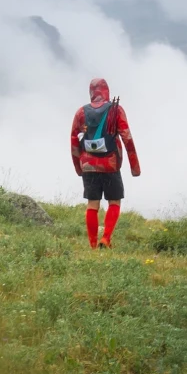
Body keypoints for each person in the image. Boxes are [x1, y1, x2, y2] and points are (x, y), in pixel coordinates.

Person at [71, 77, 140, 248]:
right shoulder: (115, 110)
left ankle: (93, 245)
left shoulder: (81, 112)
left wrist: (78, 167)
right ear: (106, 91)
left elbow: (74, 140)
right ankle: (106, 238)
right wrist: (135, 167)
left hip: (88, 165)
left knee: (92, 203)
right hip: (111, 164)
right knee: (114, 201)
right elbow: (127, 138)